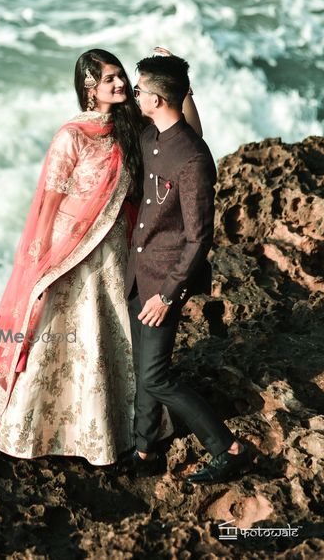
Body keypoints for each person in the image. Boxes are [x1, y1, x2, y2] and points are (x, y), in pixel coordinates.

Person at [0, 48, 202, 466]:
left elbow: (190, 134)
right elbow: (50, 199)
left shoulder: (132, 127)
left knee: (111, 335)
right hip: (71, 254)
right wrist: (39, 256)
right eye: (110, 79)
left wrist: (181, 83)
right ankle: (43, 430)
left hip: (118, 250)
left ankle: (113, 430)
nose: (121, 84)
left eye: (122, 76)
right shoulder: (71, 135)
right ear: (89, 87)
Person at [121, 53, 251, 482]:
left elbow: (200, 238)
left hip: (164, 283)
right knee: (145, 370)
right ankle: (144, 452)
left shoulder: (192, 158)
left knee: (156, 377)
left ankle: (228, 447)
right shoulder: (149, 134)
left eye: (140, 90)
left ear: (157, 99)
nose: (134, 93)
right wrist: (174, 69)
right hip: (139, 272)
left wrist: (167, 294)